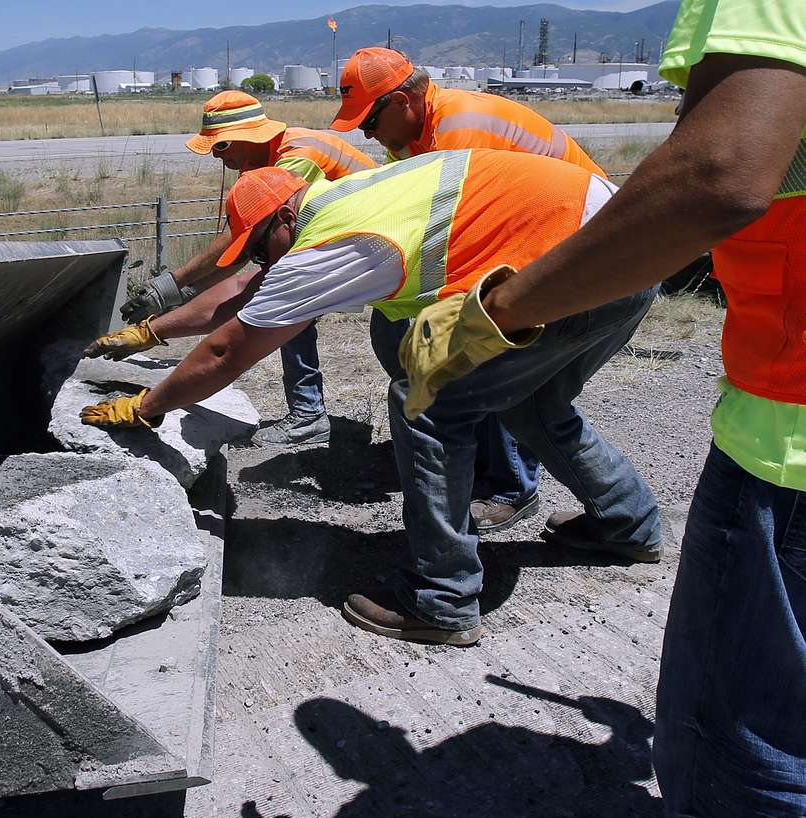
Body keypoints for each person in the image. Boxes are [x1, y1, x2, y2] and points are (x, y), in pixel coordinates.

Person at [397, 1, 806, 818]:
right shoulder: (433, 139)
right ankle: (616, 523)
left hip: (790, 430)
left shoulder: (368, 184)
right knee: (543, 412)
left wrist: (493, 313)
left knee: (748, 739)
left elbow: (717, 173)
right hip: (613, 263)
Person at [81, 156, 661, 645]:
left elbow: (225, 353)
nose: (263, 260)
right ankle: (626, 525)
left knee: (428, 399)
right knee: (534, 403)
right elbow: (246, 291)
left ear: (286, 216)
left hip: (578, 259)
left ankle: (442, 600)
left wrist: (149, 406)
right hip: (631, 248)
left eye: (261, 245)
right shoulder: (339, 200)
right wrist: (152, 332)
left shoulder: (335, 243)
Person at [330, 47, 605, 534]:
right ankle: (474, 450)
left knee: (481, 357)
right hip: (535, 238)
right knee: (406, 333)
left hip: (577, 241)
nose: (367, 135)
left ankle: (509, 485)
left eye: (369, 121)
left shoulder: (461, 128)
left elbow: (462, 234)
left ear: (401, 102)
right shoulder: (414, 137)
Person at [106, 90, 375, 448]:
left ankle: (309, 416)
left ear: (241, 138)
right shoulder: (266, 160)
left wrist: (169, 290)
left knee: (285, 310)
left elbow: (243, 254)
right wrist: (172, 300)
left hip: (370, 242)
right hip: (354, 241)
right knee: (287, 307)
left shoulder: (295, 160)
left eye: (219, 147)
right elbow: (241, 249)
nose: (217, 157)